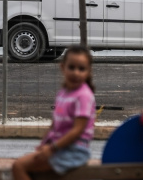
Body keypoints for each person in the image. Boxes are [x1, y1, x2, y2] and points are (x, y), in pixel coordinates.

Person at [12, 46, 96, 180]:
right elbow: (54, 125)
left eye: (81, 69)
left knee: (18, 167)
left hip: (73, 151)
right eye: (71, 67)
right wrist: (44, 145)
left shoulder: (83, 96)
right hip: (60, 148)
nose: (76, 73)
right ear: (62, 67)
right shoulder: (63, 93)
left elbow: (77, 130)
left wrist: (52, 148)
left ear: (88, 71)